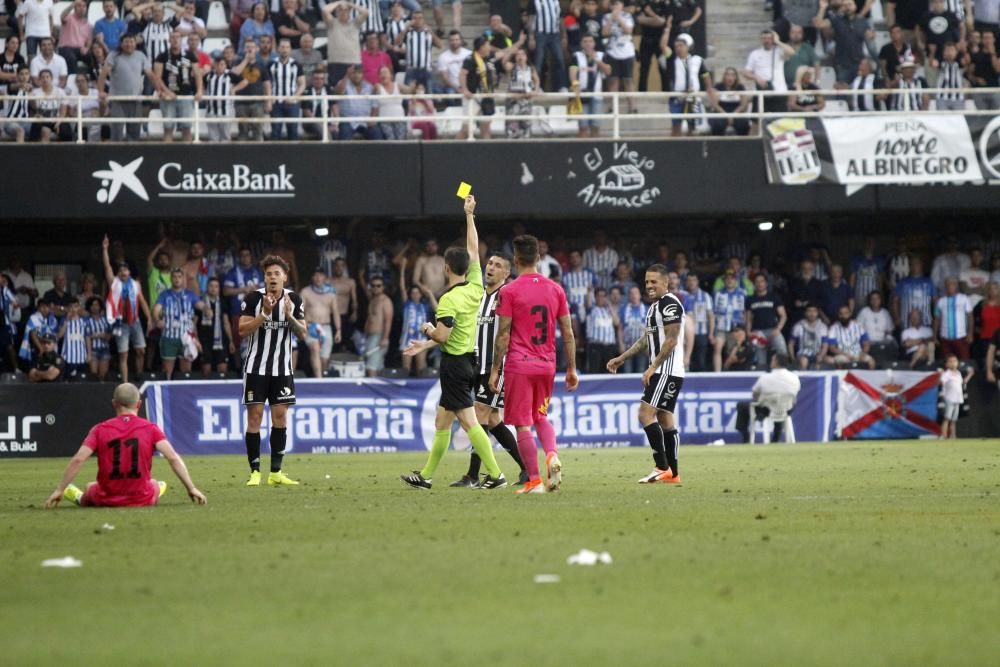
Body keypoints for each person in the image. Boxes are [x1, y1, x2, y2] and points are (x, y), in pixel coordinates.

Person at [400, 196, 511, 491]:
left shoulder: (448, 300)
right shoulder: (476, 286)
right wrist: (469, 215)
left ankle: (497, 474)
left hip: (454, 363)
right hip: (468, 361)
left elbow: (443, 336)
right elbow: (474, 249)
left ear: (445, 268)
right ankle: (425, 477)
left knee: (469, 423)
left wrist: (427, 329)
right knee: (443, 422)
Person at [483, 233, 578, 494]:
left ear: (515, 261)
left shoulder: (510, 291)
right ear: (538, 257)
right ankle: (551, 455)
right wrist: (571, 368)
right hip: (546, 365)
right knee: (541, 416)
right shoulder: (555, 289)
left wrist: (495, 370)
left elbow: (503, 336)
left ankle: (534, 480)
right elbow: (568, 333)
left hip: (519, 365)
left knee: (523, 423)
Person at [43, 383, 207, 508]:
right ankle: (155, 488)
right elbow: (173, 458)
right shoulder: (151, 429)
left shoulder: (100, 429)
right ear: (138, 404)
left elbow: (78, 460)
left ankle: (78, 497)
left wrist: (59, 489)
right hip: (142, 498)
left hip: (106, 497)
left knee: (90, 487)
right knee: (155, 484)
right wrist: (191, 488)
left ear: (114, 404)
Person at [450, 250, 528, 487]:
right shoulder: (480, 296)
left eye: (497, 265)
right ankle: (527, 469)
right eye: (489, 263)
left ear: (506, 272)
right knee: (493, 420)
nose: (490, 267)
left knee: (480, 414)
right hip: (477, 366)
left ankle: (473, 475)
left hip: (498, 367)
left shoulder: (507, 296)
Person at [607, 263, 684, 485]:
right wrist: (622, 358)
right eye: (647, 282)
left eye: (654, 282)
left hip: (666, 370)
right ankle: (673, 473)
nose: (649, 286)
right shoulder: (654, 307)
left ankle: (662, 466)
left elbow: (671, 339)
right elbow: (645, 340)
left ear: (665, 282)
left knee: (644, 414)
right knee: (665, 418)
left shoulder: (669, 304)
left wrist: (653, 367)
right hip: (665, 370)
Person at [238, 255, 308, 487]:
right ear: (265, 278)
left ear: (285, 277)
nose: (273, 277)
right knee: (255, 418)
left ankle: (276, 472)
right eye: (269, 274)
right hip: (256, 369)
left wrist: (287, 316)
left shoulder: (294, 299)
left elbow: (303, 333)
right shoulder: (253, 298)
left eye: (277, 273)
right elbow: (242, 330)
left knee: (280, 418)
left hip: (282, 369)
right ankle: (255, 471)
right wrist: (265, 315)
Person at [102, 235, 152, 384]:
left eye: (126, 270)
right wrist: (105, 249)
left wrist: (149, 318)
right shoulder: (114, 282)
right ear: (118, 273)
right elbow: (107, 267)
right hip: (121, 322)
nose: (123, 273)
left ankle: (139, 376)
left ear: (129, 272)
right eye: (121, 271)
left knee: (141, 350)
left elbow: (142, 301)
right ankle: (124, 382)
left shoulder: (136, 284)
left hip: (135, 321)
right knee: (123, 354)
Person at [734, 354, 801, 443]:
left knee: (741, 405)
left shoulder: (765, 378)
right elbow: (795, 393)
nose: (771, 361)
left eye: (772, 360)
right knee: (779, 406)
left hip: (766, 411)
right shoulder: (794, 377)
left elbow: (755, 395)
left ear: (776, 362)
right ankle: (776, 438)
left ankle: (746, 437)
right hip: (786, 410)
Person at [153, 268, 202, 380]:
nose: (177, 279)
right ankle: (167, 395)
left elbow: (201, 305)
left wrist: (207, 309)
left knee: (186, 371)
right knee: (167, 371)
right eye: (174, 277)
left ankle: (186, 395)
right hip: (169, 337)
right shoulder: (164, 295)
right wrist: (157, 320)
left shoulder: (190, 294)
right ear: (171, 279)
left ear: (183, 279)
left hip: (186, 337)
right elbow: (156, 310)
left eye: (179, 277)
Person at [300, 267, 342, 377]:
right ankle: (319, 381)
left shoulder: (331, 293)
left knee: (324, 359)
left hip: (326, 327)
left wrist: (338, 330)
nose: (318, 278)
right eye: (316, 275)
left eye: (321, 275)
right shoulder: (305, 292)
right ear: (312, 278)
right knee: (315, 349)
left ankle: (323, 377)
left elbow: (336, 312)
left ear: (325, 277)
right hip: (311, 326)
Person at [746, 274, 787, 367]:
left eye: (762, 281)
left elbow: (783, 315)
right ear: (754, 284)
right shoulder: (750, 299)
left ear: (766, 283)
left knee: (782, 354)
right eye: (757, 282)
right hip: (758, 333)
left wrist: (778, 329)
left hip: (773, 330)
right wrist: (748, 332)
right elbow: (748, 318)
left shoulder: (774, 297)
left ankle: (782, 378)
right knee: (760, 362)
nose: (759, 284)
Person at [196, 276, 234, 376]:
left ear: (219, 289)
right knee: (206, 370)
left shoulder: (223, 302)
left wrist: (230, 341)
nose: (213, 288)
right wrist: (196, 339)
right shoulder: (200, 302)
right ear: (207, 287)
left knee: (222, 369)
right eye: (211, 286)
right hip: (205, 340)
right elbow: (194, 323)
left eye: (216, 286)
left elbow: (226, 322)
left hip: (220, 341)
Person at [934, 276, 974, 360]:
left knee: (964, 361)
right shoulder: (940, 301)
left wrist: (970, 333)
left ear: (956, 286)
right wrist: (934, 336)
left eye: (953, 284)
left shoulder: (964, 299)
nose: (950, 286)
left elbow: (970, 317)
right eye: (948, 284)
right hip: (945, 338)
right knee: (947, 363)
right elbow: (937, 319)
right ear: (945, 286)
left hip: (961, 337)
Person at [824, 304, 876, 368]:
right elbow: (832, 348)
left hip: (858, 353)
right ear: (838, 315)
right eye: (841, 314)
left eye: (846, 313)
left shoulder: (858, 326)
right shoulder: (833, 328)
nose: (843, 316)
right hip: (842, 354)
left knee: (871, 361)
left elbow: (866, 344)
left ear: (850, 314)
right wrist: (846, 355)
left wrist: (863, 353)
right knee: (842, 360)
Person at [938, 354, 972, 439]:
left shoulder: (958, 373)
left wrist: (970, 375)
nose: (953, 363)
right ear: (947, 364)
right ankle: (943, 435)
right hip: (949, 399)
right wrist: (941, 375)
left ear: (958, 363)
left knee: (954, 419)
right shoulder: (947, 374)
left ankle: (953, 435)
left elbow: (962, 383)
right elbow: (941, 382)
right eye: (950, 361)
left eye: (955, 361)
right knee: (947, 418)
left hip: (957, 399)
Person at [788, 302, 827, 369]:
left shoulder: (822, 327)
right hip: (802, 355)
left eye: (814, 311)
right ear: (805, 313)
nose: (812, 314)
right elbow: (791, 344)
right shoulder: (798, 326)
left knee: (831, 360)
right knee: (804, 361)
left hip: (817, 354)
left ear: (817, 313)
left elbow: (825, 345)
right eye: (809, 311)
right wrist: (792, 358)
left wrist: (821, 355)